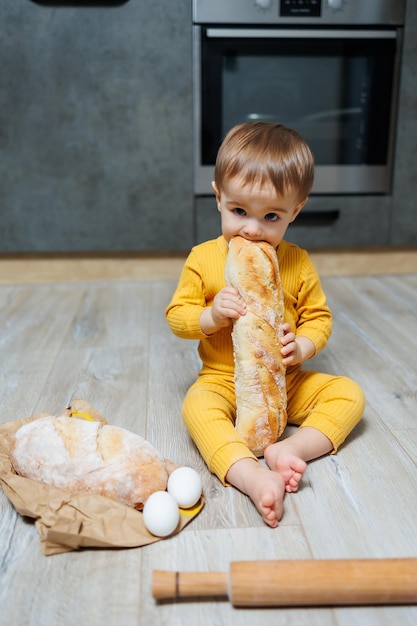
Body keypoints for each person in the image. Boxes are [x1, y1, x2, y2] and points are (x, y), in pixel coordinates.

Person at [166, 121, 365, 528]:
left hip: (284, 380)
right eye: (239, 211)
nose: (253, 229)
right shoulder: (203, 258)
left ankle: (290, 450)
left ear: (296, 210)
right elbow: (177, 318)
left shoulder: (297, 262)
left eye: (271, 216)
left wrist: (304, 346)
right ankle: (249, 474)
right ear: (218, 197)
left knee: (349, 394)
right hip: (222, 378)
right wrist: (210, 316)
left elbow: (319, 318)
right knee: (196, 407)